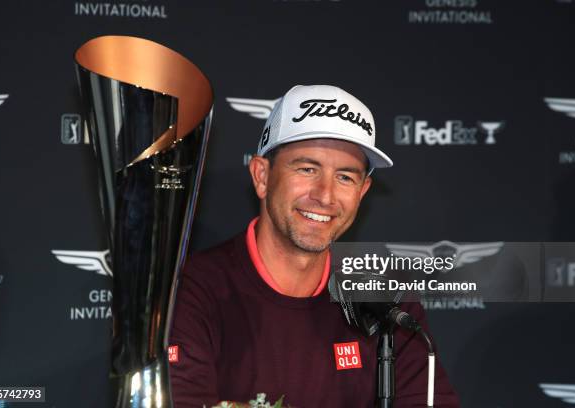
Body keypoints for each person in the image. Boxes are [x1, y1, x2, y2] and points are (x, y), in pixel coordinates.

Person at [168, 85, 460, 407]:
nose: (325, 195)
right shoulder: (191, 290)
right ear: (262, 176)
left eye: (345, 177)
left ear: (363, 191)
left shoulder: (385, 299)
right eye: (307, 169)